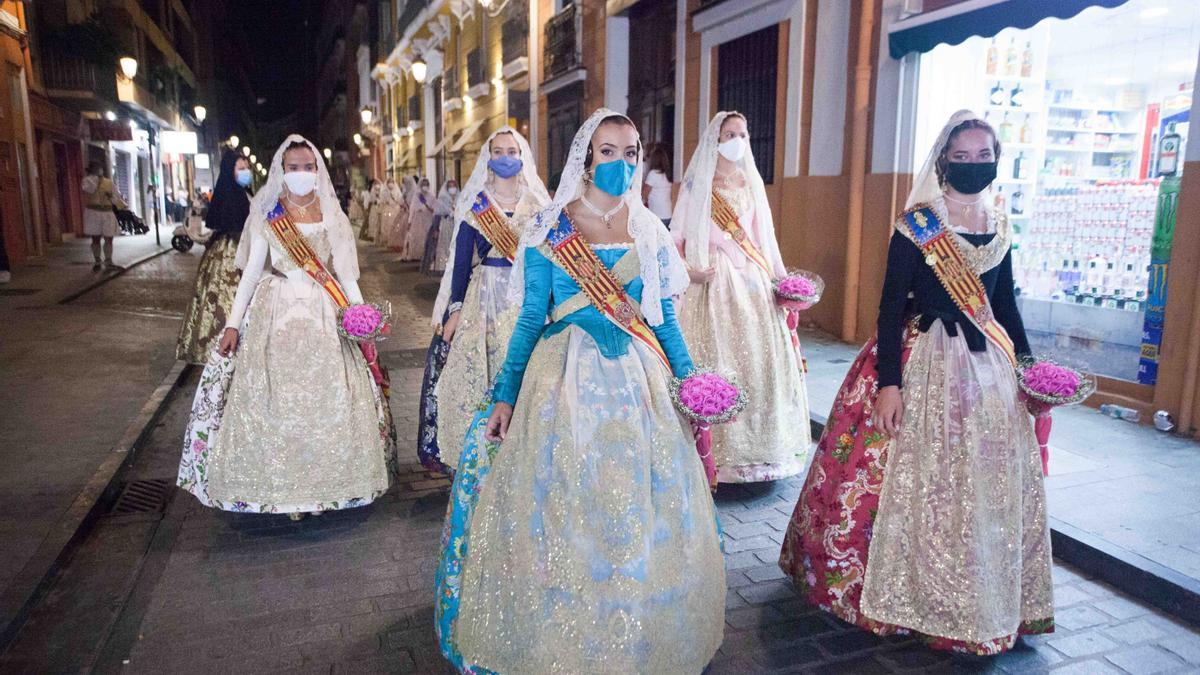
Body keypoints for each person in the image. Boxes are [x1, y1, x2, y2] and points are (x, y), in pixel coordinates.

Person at [434, 109, 725, 673]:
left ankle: (636, 629)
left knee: (638, 508)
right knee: (562, 502)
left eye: (632, 151)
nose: (623, 163)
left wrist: (691, 386)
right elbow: (527, 321)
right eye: (609, 151)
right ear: (587, 159)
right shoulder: (549, 227)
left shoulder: (649, 229)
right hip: (561, 381)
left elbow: (663, 320)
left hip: (637, 384)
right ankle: (561, 629)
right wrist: (505, 396)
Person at [778, 110, 1053, 654]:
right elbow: (886, 310)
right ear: (943, 159)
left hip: (985, 373)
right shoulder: (917, 226)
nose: (974, 165)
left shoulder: (1000, 226)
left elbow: (1004, 306)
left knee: (978, 486)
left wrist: (1028, 370)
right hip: (920, 358)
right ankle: (898, 591)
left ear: (996, 161)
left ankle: (974, 596)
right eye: (963, 155)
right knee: (906, 477)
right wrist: (888, 384)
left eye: (984, 156)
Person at [176, 135, 397, 521]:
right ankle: (285, 493)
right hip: (275, 315)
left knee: (325, 399)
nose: (300, 174)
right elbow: (248, 278)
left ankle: (322, 488)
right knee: (276, 401)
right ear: (282, 171)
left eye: (307, 167)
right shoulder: (268, 215)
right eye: (293, 168)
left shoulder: (334, 216)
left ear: (318, 171)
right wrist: (231, 325)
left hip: (324, 315)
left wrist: (361, 316)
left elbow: (345, 276)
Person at [672, 111, 810, 483]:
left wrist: (783, 283)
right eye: (729, 133)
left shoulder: (752, 184)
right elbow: (677, 240)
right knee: (714, 357)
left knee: (760, 361)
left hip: (752, 283)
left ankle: (761, 455)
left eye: (742, 134)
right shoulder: (697, 185)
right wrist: (690, 272)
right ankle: (714, 456)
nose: (736, 140)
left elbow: (765, 239)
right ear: (715, 140)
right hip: (711, 281)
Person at [418, 128, 549, 474]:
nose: (506, 157)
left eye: (512, 150)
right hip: (485, 295)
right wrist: (455, 310)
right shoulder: (476, 204)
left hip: (526, 299)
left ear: (522, 157)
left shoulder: (539, 205)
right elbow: (461, 264)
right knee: (479, 373)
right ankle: (481, 452)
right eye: (499, 151)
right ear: (489, 158)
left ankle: (524, 448)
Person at [175, 150, 254, 364]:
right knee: (224, 300)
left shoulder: (244, 193)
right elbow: (233, 224)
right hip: (231, 252)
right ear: (231, 171)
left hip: (241, 250)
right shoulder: (231, 195)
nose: (246, 172)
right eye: (241, 168)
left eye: (247, 168)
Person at [82, 160, 126, 271]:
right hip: (93, 212)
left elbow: (116, 197)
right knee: (95, 237)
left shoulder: (109, 182)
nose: (99, 170)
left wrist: (112, 197)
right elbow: (89, 190)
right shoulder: (87, 181)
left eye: (100, 168)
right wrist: (96, 180)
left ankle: (108, 260)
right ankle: (97, 260)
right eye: (97, 168)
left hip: (107, 212)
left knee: (109, 237)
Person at [419, 179, 458, 276]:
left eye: (454, 186)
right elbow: (437, 214)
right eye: (450, 186)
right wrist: (436, 229)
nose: (452, 189)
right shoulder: (442, 199)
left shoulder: (460, 198)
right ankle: (443, 266)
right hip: (445, 225)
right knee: (444, 245)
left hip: (456, 225)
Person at [401, 177, 435, 261]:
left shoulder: (431, 196)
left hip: (427, 218)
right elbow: (412, 209)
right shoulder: (416, 196)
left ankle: (427, 254)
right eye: (423, 185)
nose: (425, 186)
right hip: (417, 219)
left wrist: (426, 205)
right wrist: (409, 221)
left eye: (426, 184)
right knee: (416, 236)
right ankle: (417, 254)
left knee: (427, 235)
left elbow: (434, 209)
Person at [643, 143, 673, 228]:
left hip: (657, 215)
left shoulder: (653, 174)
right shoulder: (667, 175)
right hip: (668, 214)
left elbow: (645, 194)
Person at [385, 177, 412, 252]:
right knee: (400, 228)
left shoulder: (413, 192)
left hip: (410, 213)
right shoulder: (404, 192)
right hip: (403, 212)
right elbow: (400, 201)